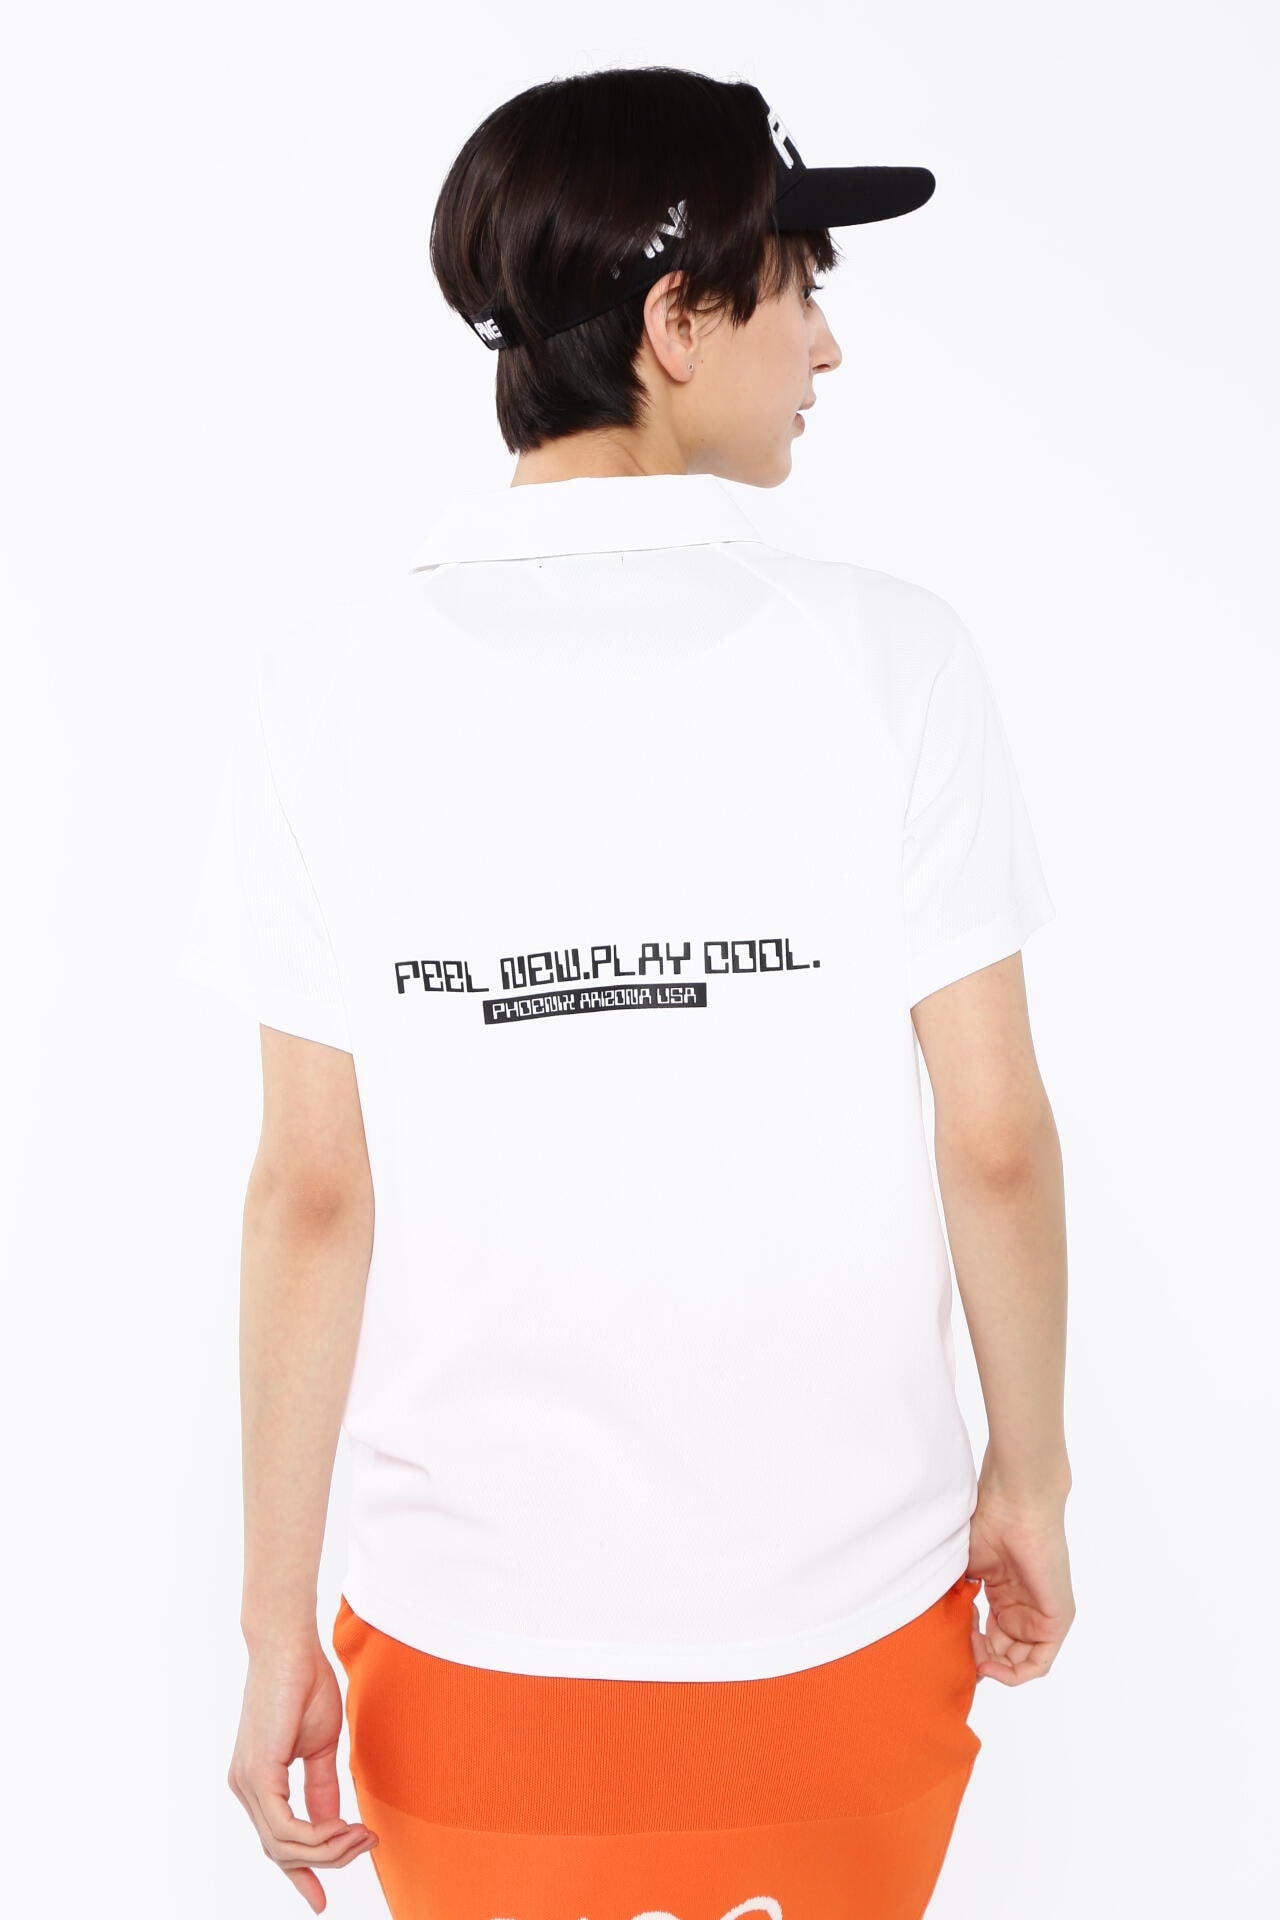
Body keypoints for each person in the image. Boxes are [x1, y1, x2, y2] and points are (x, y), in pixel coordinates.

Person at [183, 65, 1074, 1920]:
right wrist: (1032, 1480)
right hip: (845, 1626)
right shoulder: (888, 662)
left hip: (470, 1644)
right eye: (801, 288)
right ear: (677, 322)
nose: (827, 348)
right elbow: (991, 1138)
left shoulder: (320, 696)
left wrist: (275, 1630)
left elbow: (312, 1191)